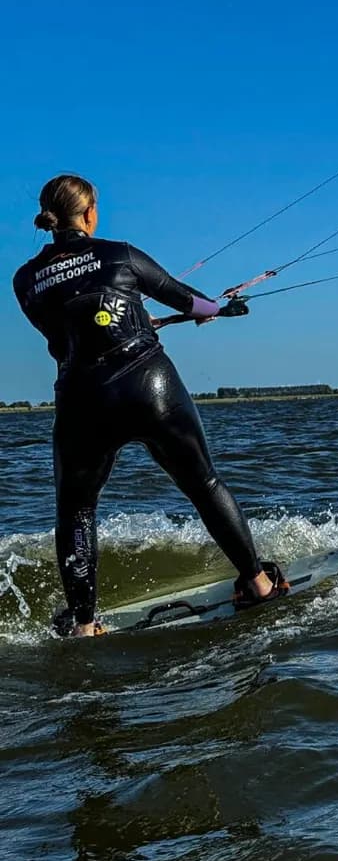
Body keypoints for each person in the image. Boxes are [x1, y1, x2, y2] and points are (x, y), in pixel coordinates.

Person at [12, 174, 288, 637]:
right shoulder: (118, 252)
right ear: (90, 214)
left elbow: (70, 332)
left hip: (83, 400)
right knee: (202, 482)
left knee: (76, 512)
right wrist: (221, 309)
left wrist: (133, 315)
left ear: (47, 218)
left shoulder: (25, 279)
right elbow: (188, 300)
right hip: (148, 385)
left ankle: (84, 624)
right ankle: (258, 583)